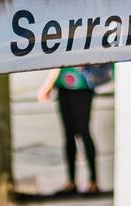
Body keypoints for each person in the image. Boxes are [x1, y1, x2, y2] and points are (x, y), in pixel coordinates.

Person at [37, 64, 107, 196]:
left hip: (83, 84)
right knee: (69, 135)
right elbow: (58, 61)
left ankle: (93, 182)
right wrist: (50, 85)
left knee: (83, 132)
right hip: (64, 85)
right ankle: (71, 182)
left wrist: (47, 86)